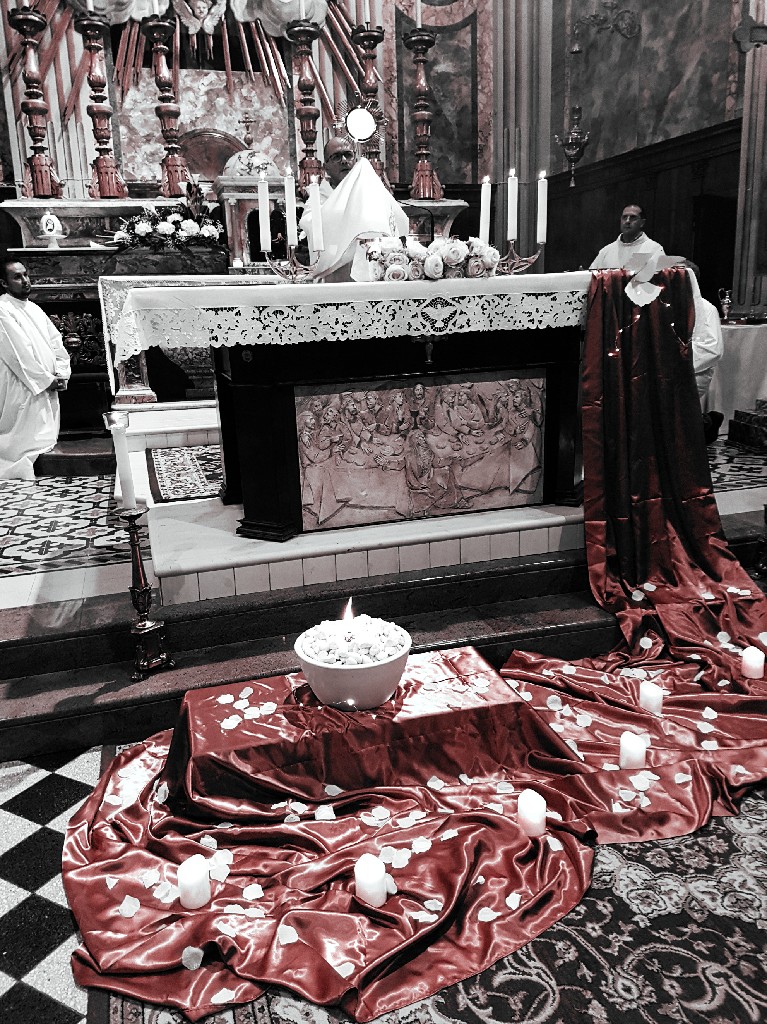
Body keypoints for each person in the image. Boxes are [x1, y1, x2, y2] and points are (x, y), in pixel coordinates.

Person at [299, 136, 409, 282]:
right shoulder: (319, 197)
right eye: (336, 157)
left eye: (348, 155)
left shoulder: (370, 192)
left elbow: (397, 220)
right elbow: (309, 223)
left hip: (373, 273)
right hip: (335, 276)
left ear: (355, 160)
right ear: (326, 168)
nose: (344, 160)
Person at [0, 258, 71, 480]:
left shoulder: (34, 307)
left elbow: (56, 342)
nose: (25, 280)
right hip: (23, 383)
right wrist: (45, 380)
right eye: (17, 277)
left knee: (44, 436)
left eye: (26, 274)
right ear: (4, 283)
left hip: (46, 381)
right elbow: (17, 353)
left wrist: (61, 372)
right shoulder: (3, 309)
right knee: (23, 441)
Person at [683, 260, 725, 444]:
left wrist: (677, 364)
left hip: (694, 372)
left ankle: (707, 423)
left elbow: (712, 350)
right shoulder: (664, 306)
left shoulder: (707, 309)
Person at [590, 203, 666, 269]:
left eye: (633, 217)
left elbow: (661, 278)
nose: (627, 221)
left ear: (642, 223)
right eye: (624, 217)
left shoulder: (654, 249)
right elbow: (591, 277)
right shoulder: (606, 251)